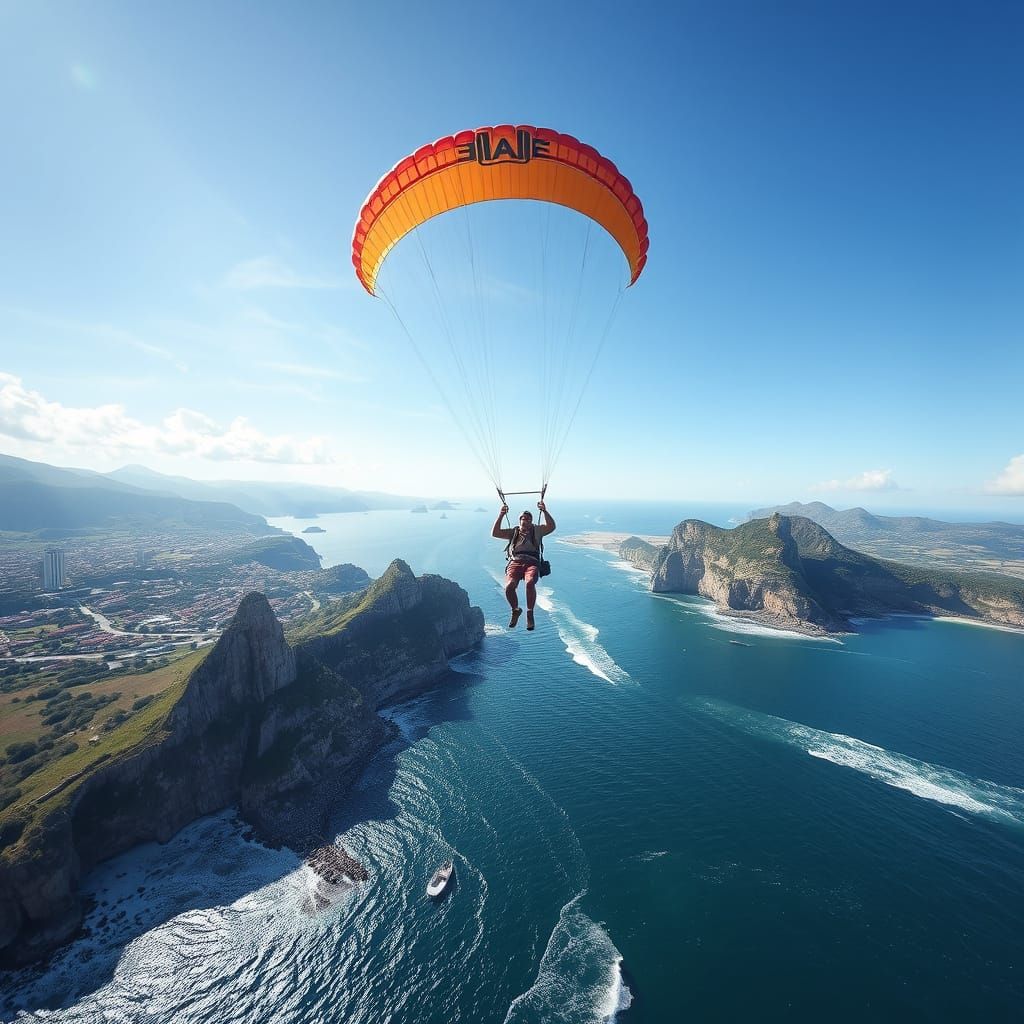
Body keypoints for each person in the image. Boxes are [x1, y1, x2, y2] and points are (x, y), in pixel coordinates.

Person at [491, 501, 556, 631]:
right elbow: (495, 533)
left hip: (532, 562)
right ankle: (515, 610)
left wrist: (544, 511)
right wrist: (501, 514)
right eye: (523, 518)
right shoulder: (513, 532)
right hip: (515, 562)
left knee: (530, 582)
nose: (525, 521)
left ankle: (530, 613)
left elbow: (551, 526)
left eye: (528, 519)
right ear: (519, 521)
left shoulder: (538, 530)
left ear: (532, 521)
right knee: (509, 587)